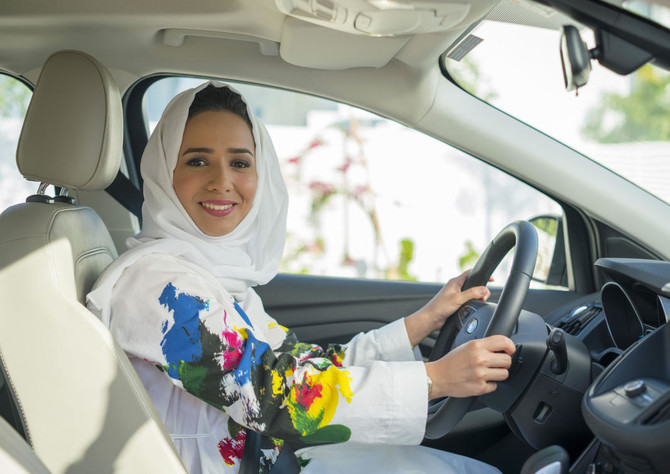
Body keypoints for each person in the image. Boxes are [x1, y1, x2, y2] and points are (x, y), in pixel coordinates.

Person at [87, 81, 516, 473]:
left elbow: (296, 366)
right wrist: (435, 379)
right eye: (197, 160)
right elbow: (274, 396)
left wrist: (420, 323)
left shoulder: (210, 278)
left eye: (240, 162)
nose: (222, 182)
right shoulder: (156, 286)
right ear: (164, 174)